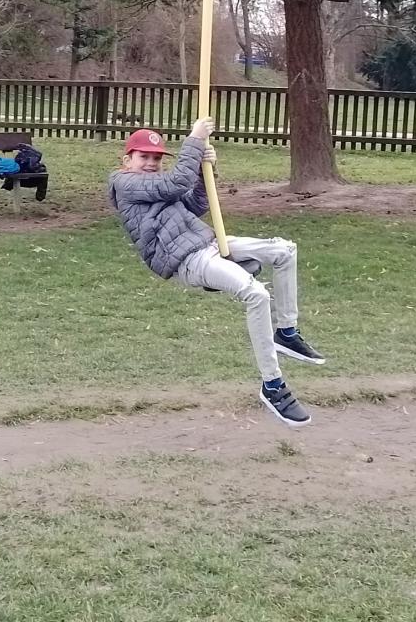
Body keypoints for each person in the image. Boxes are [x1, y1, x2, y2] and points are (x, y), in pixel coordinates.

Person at [108, 118, 325, 427]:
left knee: (284, 250)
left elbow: (195, 203)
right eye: (144, 156)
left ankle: (286, 333)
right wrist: (195, 140)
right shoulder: (124, 183)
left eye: (156, 158)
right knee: (256, 294)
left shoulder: (155, 185)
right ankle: (273, 385)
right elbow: (175, 184)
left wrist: (203, 172)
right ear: (127, 159)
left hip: (208, 243)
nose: (151, 163)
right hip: (186, 260)